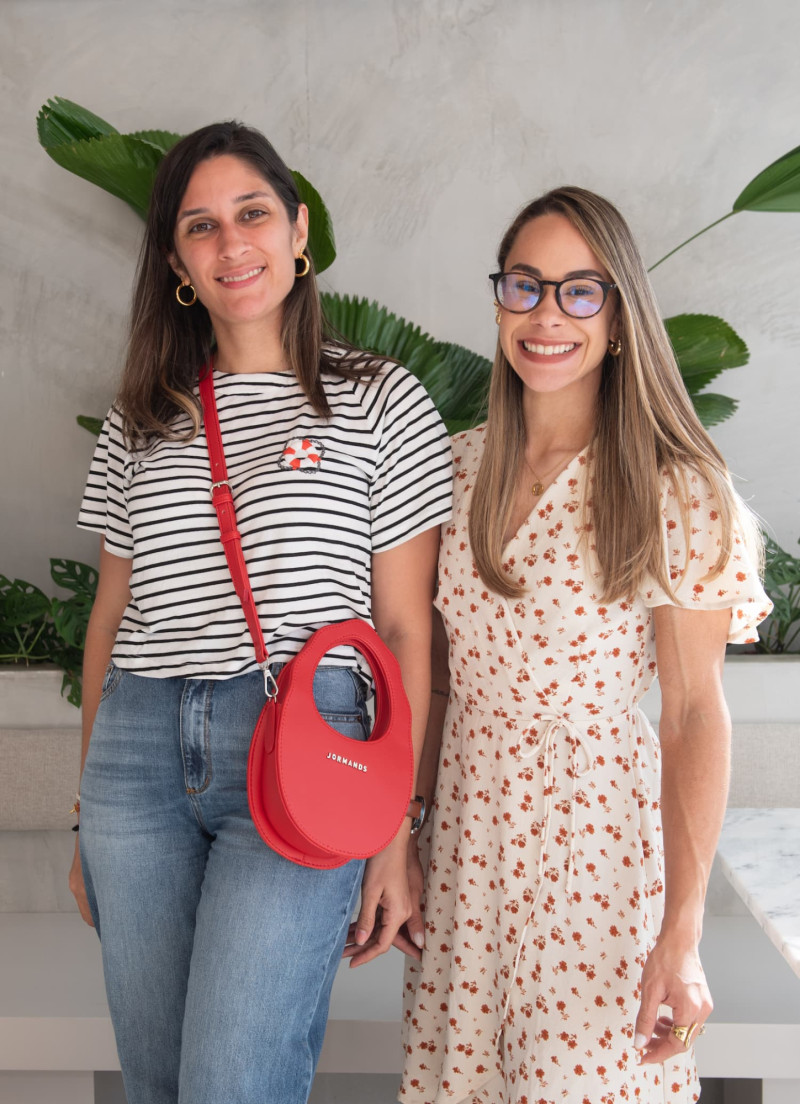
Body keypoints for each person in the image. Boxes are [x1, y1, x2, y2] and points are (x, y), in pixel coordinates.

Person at [69, 121, 452, 1104]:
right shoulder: (140, 415)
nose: (231, 244)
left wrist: (396, 830)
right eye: (201, 227)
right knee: (157, 1085)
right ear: (177, 265)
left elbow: (406, 629)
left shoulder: (377, 400)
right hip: (137, 754)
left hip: (301, 748)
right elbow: (109, 616)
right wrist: (85, 814)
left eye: (251, 214)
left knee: (232, 1084)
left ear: (296, 229)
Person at [398, 187, 772, 1104]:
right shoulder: (457, 467)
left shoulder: (675, 488)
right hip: (466, 846)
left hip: (593, 852)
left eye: (580, 291)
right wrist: (406, 834)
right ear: (499, 301)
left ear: (620, 312)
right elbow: (438, 686)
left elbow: (690, 715)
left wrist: (681, 934)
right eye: (525, 286)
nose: (547, 315)